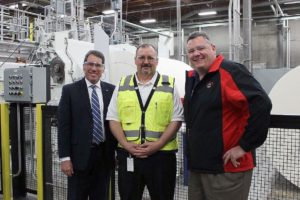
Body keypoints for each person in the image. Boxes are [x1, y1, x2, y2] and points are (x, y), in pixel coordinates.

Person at [184, 31, 272, 200]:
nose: (196, 54)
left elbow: (261, 104)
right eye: (191, 51)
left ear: (213, 48)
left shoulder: (230, 71)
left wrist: (244, 146)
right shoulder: (193, 79)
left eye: (201, 48)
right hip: (198, 167)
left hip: (226, 170)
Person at [107, 44, 184, 200]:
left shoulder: (169, 85)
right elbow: (113, 119)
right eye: (142, 57)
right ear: (135, 60)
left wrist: (158, 144)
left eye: (150, 58)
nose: (146, 61)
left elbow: (176, 119)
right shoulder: (122, 85)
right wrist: (126, 144)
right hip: (129, 155)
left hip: (161, 157)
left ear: (157, 61)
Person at [58, 50, 116, 200]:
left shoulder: (111, 90)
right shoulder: (70, 91)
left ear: (103, 69)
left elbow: (115, 123)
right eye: (90, 64)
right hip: (78, 159)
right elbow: (64, 126)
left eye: (98, 65)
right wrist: (65, 158)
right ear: (84, 66)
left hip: (103, 157)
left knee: (101, 196)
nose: (94, 68)